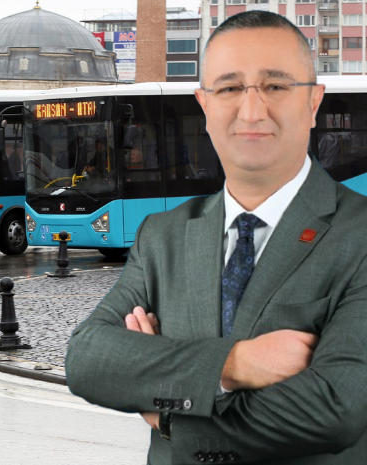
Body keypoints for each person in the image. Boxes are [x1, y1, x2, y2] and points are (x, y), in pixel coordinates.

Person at [66, 11, 367, 464]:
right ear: (204, 106)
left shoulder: (358, 233)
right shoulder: (162, 236)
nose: (251, 110)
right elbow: (88, 361)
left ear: (313, 103)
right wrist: (236, 365)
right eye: (229, 88)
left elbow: (336, 409)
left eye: (276, 86)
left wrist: (168, 408)